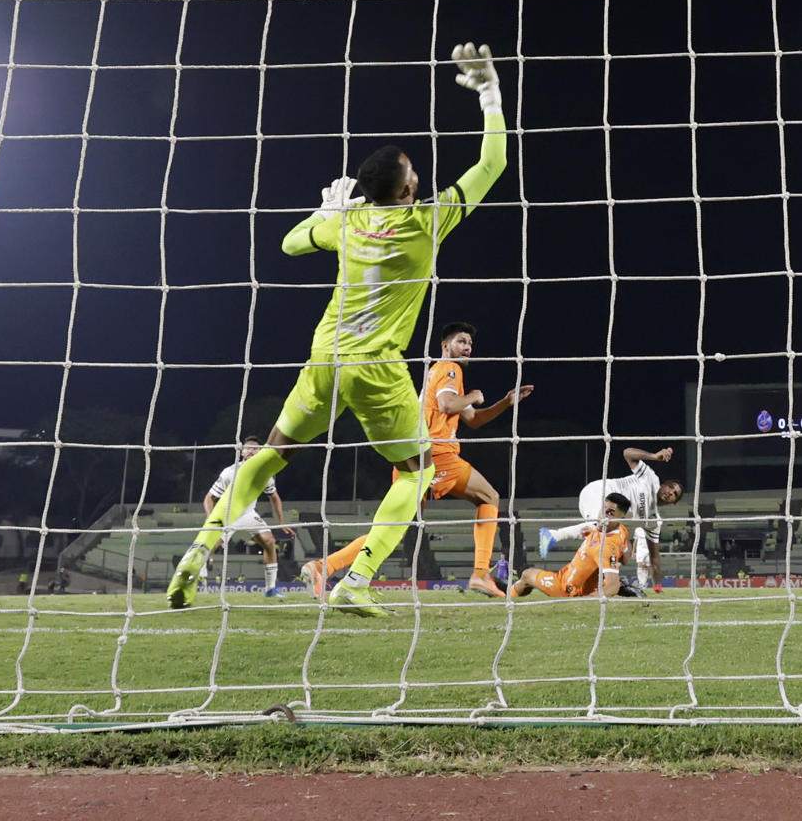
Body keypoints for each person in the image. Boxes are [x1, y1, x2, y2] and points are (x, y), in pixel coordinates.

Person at [167, 43, 509, 618]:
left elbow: (289, 242)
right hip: (377, 368)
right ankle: (358, 578)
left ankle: (199, 551)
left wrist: (327, 213)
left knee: (271, 455)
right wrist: (490, 96)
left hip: (324, 359)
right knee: (415, 471)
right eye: (413, 174)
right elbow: (491, 165)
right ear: (404, 190)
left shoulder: (349, 226)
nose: (419, 177)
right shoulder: (424, 222)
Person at [303, 321, 532, 600]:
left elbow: (472, 419)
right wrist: (474, 395)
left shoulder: (436, 373)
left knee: (393, 529)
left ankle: (321, 567)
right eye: (461, 342)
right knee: (489, 497)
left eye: (470, 344)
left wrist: (505, 403)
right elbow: (449, 405)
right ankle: (480, 573)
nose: (468, 348)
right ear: (445, 346)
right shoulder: (451, 369)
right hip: (437, 455)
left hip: (413, 456)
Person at [538, 446, 684, 592]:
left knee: (611, 542)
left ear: (674, 502)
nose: (670, 492)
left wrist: (657, 585)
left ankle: (592, 580)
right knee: (603, 526)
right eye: (670, 487)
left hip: (604, 514)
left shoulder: (653, 521)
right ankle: (552, 535)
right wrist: (654, 456)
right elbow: (627, 453)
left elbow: (654, 556)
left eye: (675, 494)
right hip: (599, 492)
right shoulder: (651, 479)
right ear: (664, 484)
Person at [204, 437, 297, 597]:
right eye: (248, 448)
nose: (251, 450)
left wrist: (281, 523)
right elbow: (209, 498)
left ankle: (270, 589)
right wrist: (211, 519)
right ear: (241, 451)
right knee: (212, 544)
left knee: (269, 541)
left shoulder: (265, 474)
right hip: (229, 513)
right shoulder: (229, 472)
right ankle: (200, 574)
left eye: (255, 448)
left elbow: (274, 497)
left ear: (261, 452)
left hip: (248, 514)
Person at [510, 493, 632, 599]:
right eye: (603, 510)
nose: (603, 516)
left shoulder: (605, 546)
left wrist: (587, 600)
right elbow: (625, 559)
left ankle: (505, 598)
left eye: (610, 513)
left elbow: (613, 586)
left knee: (527, 575)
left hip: (567, 588)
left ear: (621, 518)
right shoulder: (621, 530)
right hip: (569, 575)